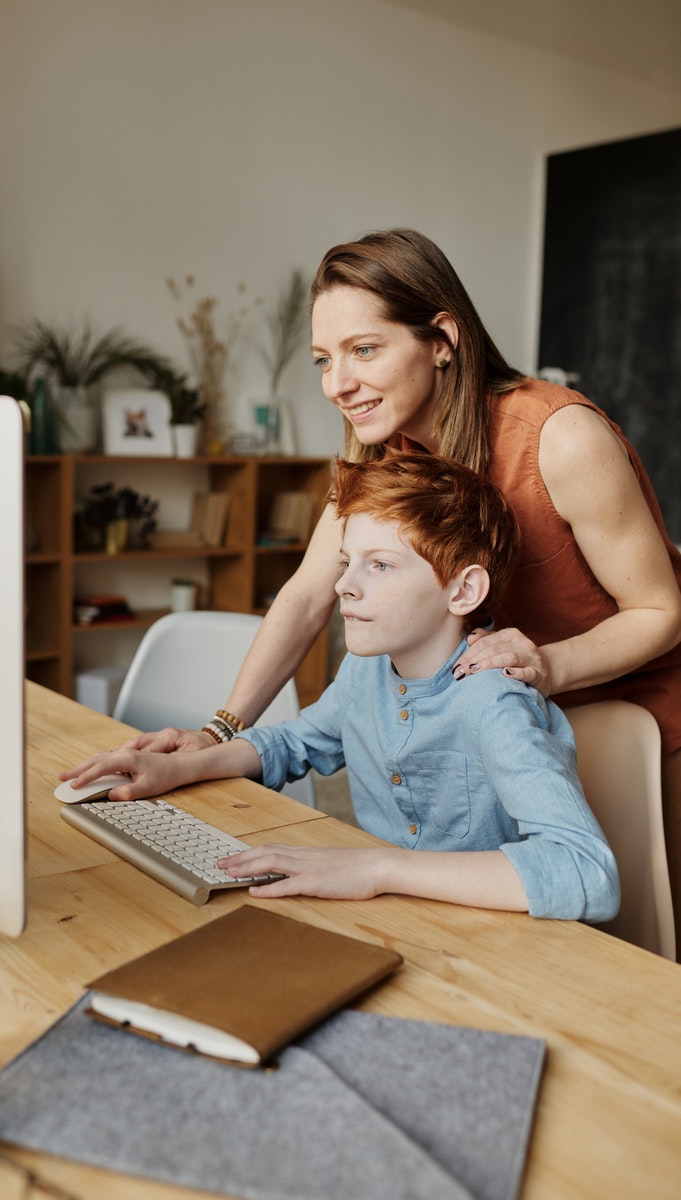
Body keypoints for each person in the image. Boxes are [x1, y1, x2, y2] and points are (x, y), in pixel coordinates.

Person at [126, 229, 681, 945]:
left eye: (364, 350)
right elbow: (304, 596)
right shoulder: (379, 451)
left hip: (626, 709)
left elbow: (661, 610)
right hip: (502, 704)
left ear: (441, 338)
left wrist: (549, 665)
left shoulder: (559, 437)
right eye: (324, 360)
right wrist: (214, 733)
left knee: (641, 945)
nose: (337, 384)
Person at [61, 451, 619, 921]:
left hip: (490, 940)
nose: (343, 585)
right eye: (347, 561)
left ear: (463, 590)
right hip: (393, 915)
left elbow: (585, 870)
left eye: (380, 566)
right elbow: (299, 741)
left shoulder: (492, 700)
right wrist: (184, 765)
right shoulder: (367, 669)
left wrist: (377, 867)